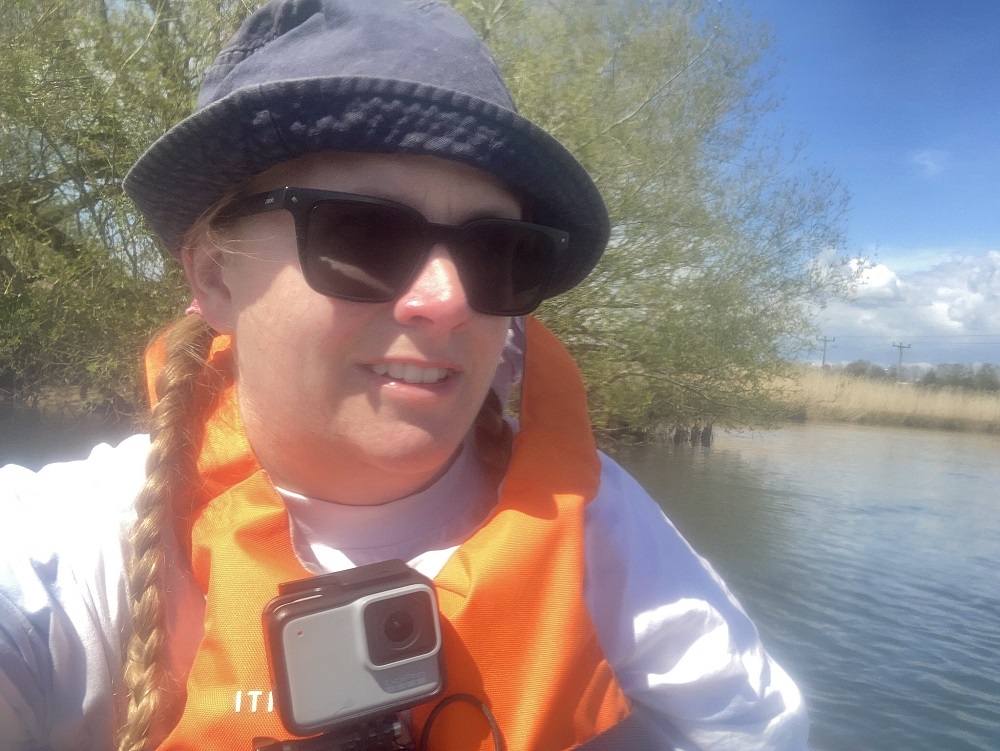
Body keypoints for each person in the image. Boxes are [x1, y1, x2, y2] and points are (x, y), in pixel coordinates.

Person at [0, 1, 808, 750]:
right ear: (214, 276)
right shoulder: (72, 548)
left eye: (496, 251)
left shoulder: (602, 529)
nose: (449, 300)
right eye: (363, 232)